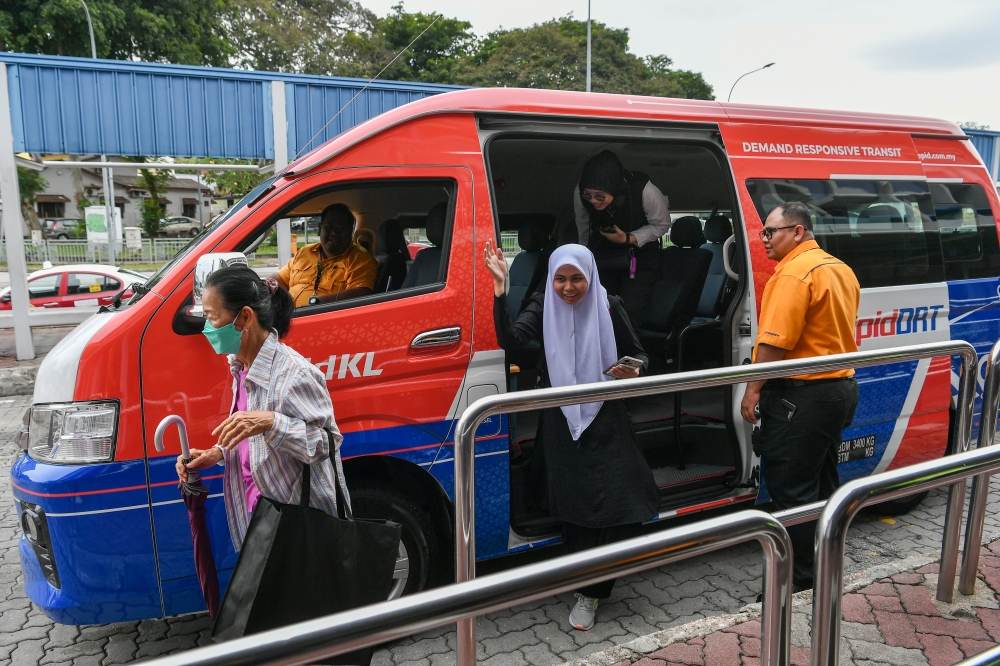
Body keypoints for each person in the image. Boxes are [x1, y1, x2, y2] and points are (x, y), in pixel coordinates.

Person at [485, 240, 660, 631]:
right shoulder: (542, 302)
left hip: (606, 417)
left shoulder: (608, 304)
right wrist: (501, 289)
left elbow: (640, 354)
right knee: (578, 510)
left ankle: (595, 588)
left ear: (590, 275)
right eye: (560, 278)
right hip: (562, 419)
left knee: (617, 506)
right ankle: (586, 586)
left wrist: (635, 369)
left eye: (576, 279)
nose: (567, 287)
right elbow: (511, 341)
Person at [176, 264, 349, 551]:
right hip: (258, 523)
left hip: (296, 532)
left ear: (244, 317)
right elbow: (252, 434)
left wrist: (272, 422)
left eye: (212, 317)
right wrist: (217, 453)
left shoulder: (294, 373)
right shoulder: (240, 367)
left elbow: (326, 445)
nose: (206, 328)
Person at [739, 201, 860, 591]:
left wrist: (752, 389)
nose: (765, 240)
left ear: (797, 232)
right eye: (763, 233)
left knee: (792, 493)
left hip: (802, 397)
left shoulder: (793, 273)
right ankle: (824, 571)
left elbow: (774, 343)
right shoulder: (838, 268)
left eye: (770, 232)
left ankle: (797, 584)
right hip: (838, 391)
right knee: (822, 487)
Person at [573, 150, 670, 327]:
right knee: (599, 305)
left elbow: (662, 224)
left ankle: (630, 351)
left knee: (628, 309)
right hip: (605, 255)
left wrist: (629, 238)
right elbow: (583, 226)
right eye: (589, 195)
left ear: (613, 188)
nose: (593, 201)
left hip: (640, 257)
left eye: (600, 196)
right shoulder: (580, 192)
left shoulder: (644, 189)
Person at [274, 203, 379, 307]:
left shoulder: (360, 259)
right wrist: (266, 286)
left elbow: (361, 293)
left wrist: (317, 303)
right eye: (329, 227)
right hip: (286, 315)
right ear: (320, 229)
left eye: (341, 228)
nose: (334, 233)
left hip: (324, 318)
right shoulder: (305, 251)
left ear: (350, 232)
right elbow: (281, 278)